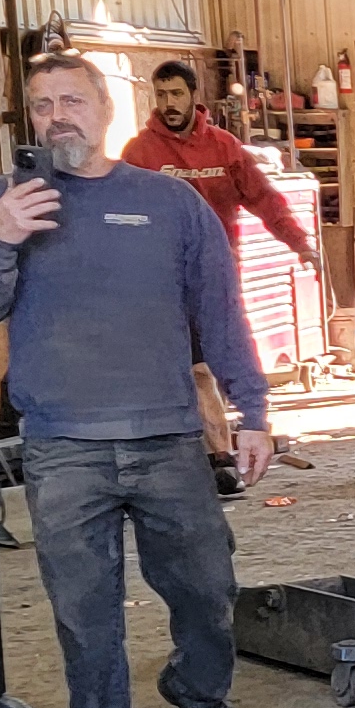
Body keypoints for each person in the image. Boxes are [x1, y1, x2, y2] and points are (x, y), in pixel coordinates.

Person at [0, 55, 274, 708]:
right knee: (85, 614)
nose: (57, 115)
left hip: (165, 438)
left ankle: (198, 689)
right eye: (41, 104)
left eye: (72, 100)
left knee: (207, 589)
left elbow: (220, 313)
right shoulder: (6, 203)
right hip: (63, 445)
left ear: (106, 110)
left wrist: (252, 410)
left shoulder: (168, 204)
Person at [120, 59, 308, 491]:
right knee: (193, 370)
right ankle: (216, 457)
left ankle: (221, 452)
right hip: (161, 284)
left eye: (176, 94)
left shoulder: (224, 148)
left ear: (193, 96)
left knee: (220, 365)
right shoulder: (140, 154)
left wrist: (299, 242)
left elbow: (264, 199)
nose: (168, 104)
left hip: (217, 277)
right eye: (161, 95)